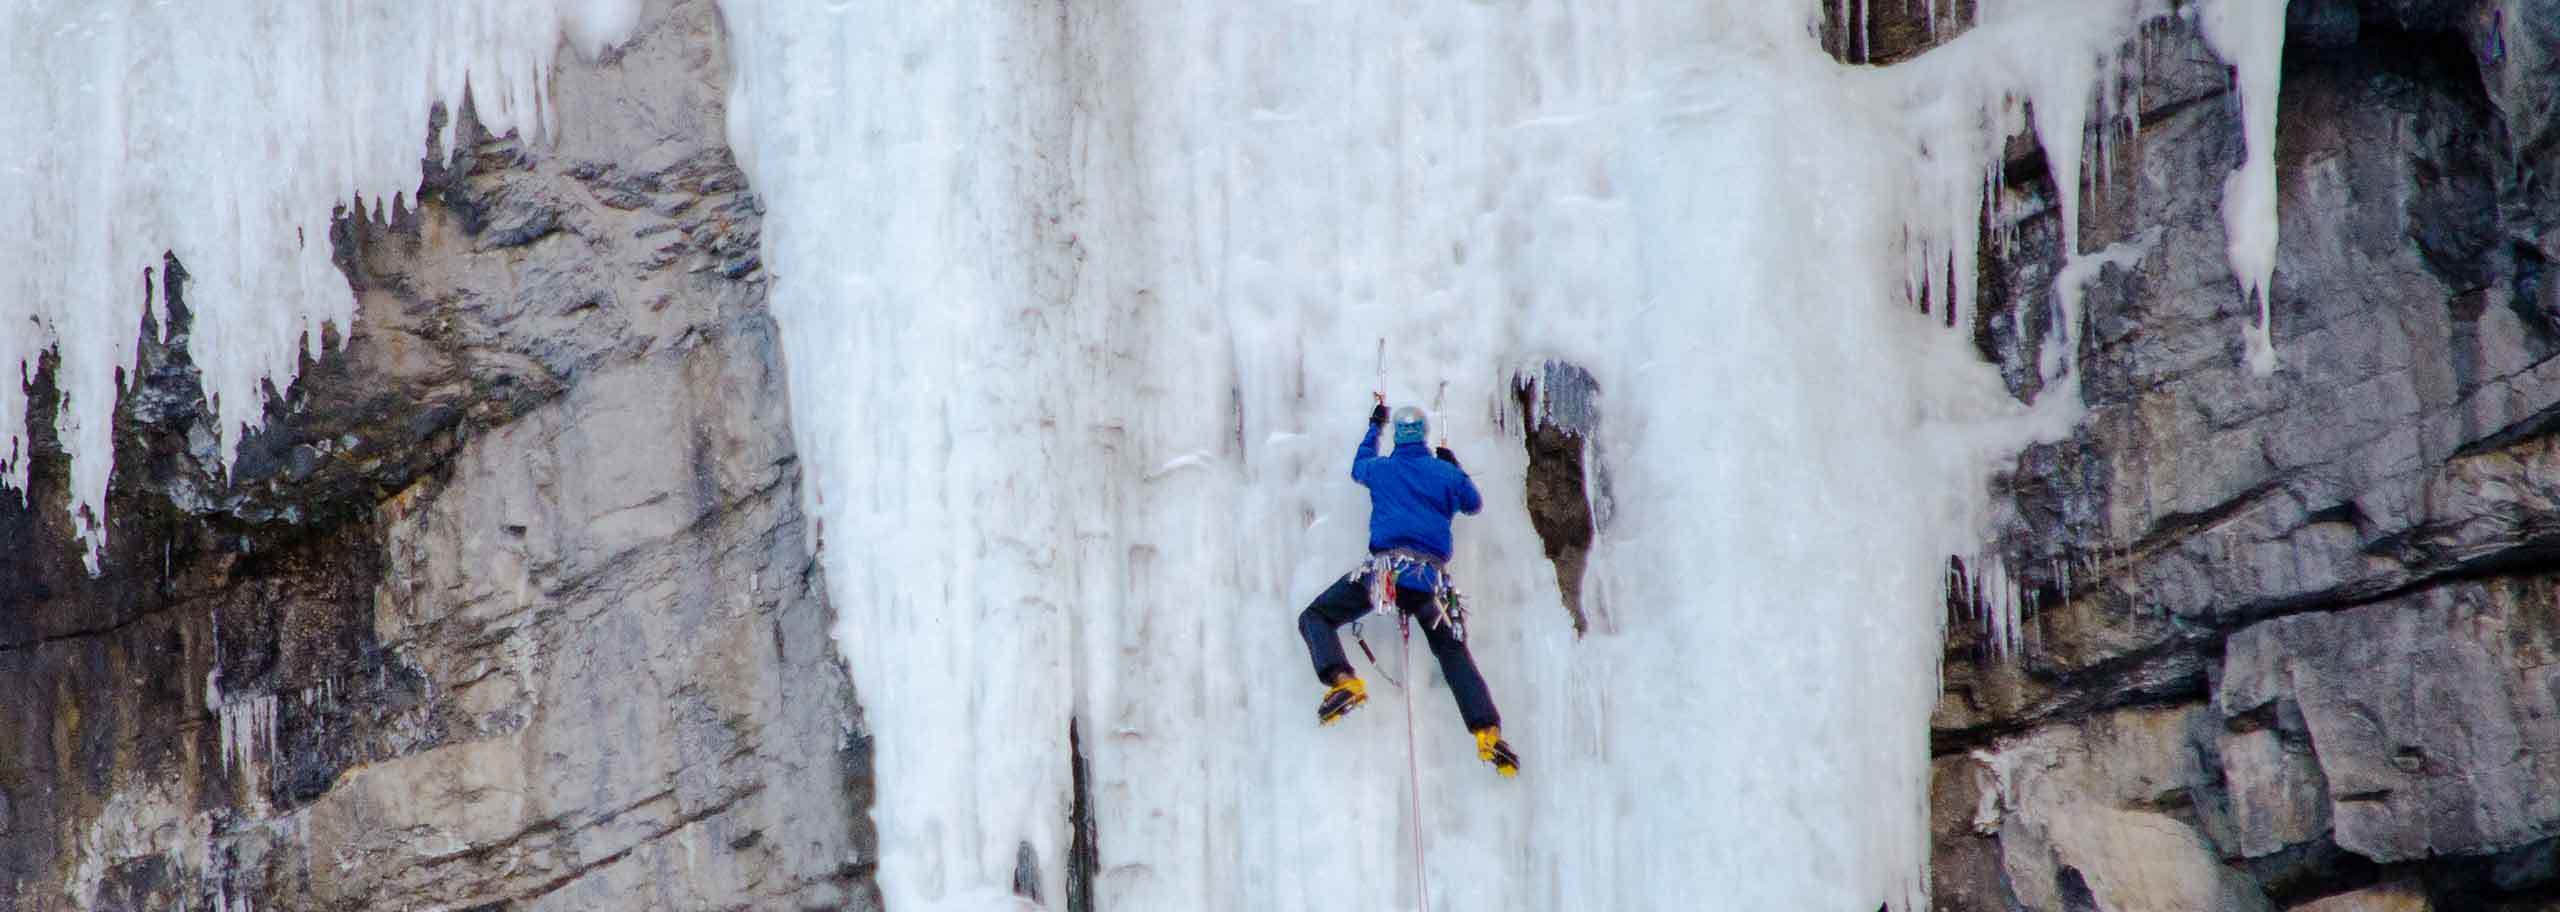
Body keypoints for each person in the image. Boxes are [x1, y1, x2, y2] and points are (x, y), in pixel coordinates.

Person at [1297, 394, 1520, 776]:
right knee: (1452, 652)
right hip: (1429, 582)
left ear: (1399, 437)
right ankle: (1487, 731)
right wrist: (1454, 466)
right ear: (1425, 435)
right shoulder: (1446, 475)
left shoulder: (1382, 469)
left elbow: (1358, 467)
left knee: (1315, 616)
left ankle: (1343, 680)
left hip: (1384, 575)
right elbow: (1472, 503)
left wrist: (1374, 424)